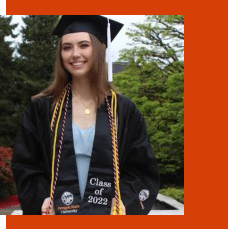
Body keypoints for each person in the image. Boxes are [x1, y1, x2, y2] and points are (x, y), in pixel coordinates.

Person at [11, 15, 160, 215]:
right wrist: (41, 198)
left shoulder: (123, 110)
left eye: (83, 45)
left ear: (98, 50)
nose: (74, 54)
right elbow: (25, 164)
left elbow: (141, 168)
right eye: (67, 47)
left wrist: (126, 201)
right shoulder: (42, 109)